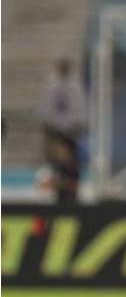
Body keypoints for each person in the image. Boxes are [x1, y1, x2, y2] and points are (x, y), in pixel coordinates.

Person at [39, 59, 88, 205]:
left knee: (71, 169)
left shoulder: (74, 86)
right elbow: (47, 111)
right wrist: (59, 127)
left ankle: (71, 196)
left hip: (72, 134)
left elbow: (79, 112)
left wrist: (74, 128)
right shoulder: (52, 86)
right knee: (59, 167)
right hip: (57, 134)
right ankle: (59, 196)